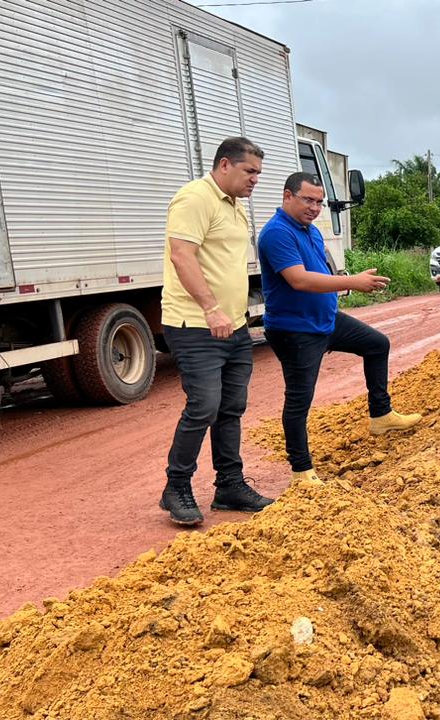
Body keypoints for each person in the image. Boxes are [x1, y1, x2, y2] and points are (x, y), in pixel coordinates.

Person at [258, 172, 422, 486]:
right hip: (295, 330)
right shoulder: (276, 233)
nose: (315, 207)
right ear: (287, 196)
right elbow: (300, 280)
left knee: (377, 344)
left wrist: (340, 289)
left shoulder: (311, 232)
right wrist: (353, 282)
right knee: (299, 400)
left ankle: (381, 415)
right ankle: (302, 471)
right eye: (308, 199)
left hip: (326, 321)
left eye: (319, 202)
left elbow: (320, 272)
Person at [159, 137, 274, 526]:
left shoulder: (235, 207)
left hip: (234, 326)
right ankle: (176, 487)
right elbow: (181, 255)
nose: (255, 179)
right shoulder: (195, 198)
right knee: (204, 405)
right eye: (250, 171)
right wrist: (210, 308)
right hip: (195, 324)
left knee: (230, 407)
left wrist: (234, 314)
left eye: (258, 172)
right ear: (225, 164)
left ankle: (229, 485)